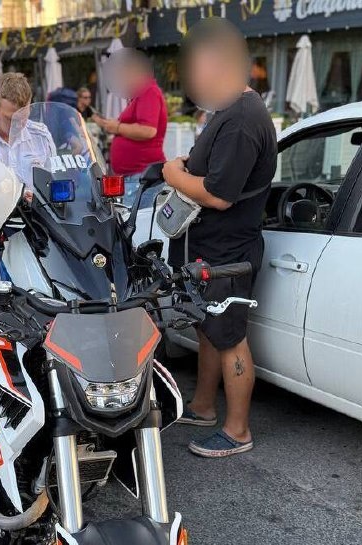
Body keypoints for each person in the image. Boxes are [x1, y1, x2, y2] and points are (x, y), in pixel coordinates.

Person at [161, 18, 277, 458]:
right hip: (211, 248)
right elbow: (215, 170)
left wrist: (172, 173)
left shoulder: (243, 118)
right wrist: (187, 164)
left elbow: (218, 195)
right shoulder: (231, 111)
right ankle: (204, 406)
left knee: (229, 337)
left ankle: (237, 430)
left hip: (229, 252)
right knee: (209, 329)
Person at [93, 49, 167, 202]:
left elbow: (148, 130)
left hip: (141, 176)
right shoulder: (140, 94)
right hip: (136, 176)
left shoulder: (148, 91)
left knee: (137, 217)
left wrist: (117, 128)